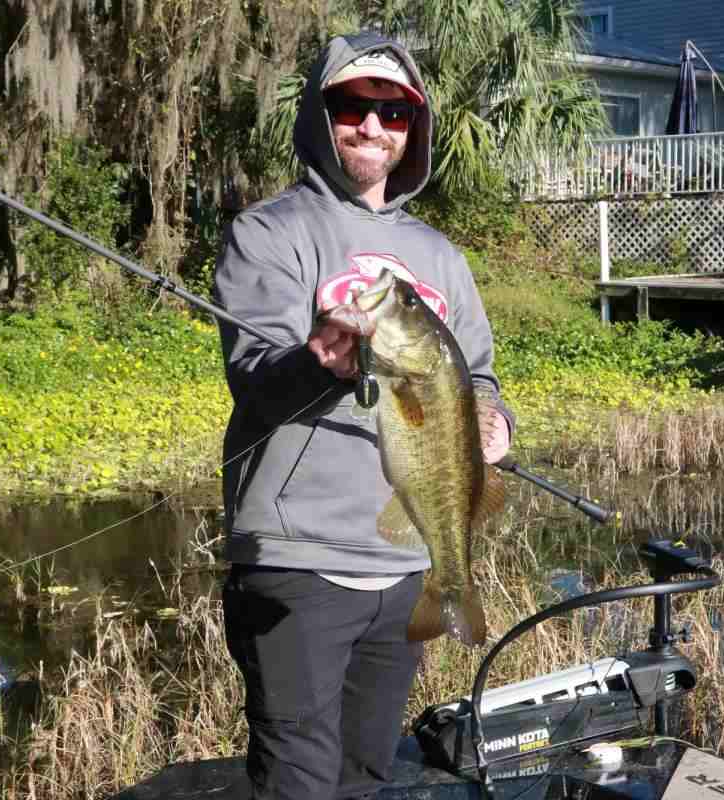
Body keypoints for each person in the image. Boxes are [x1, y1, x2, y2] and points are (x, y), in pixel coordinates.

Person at [213, 31, 513, 800]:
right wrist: (316, 358)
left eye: (394, 113)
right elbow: (253, 378)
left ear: (414, 129)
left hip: (406, 568)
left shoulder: (440, 255)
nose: (373, 129)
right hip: (299, 562)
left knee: (366, 777)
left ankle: (457, 583)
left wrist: (496, 422)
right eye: (354, 107)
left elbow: (476, 374)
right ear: (322, 114)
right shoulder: (269, 233)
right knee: (299, 781)